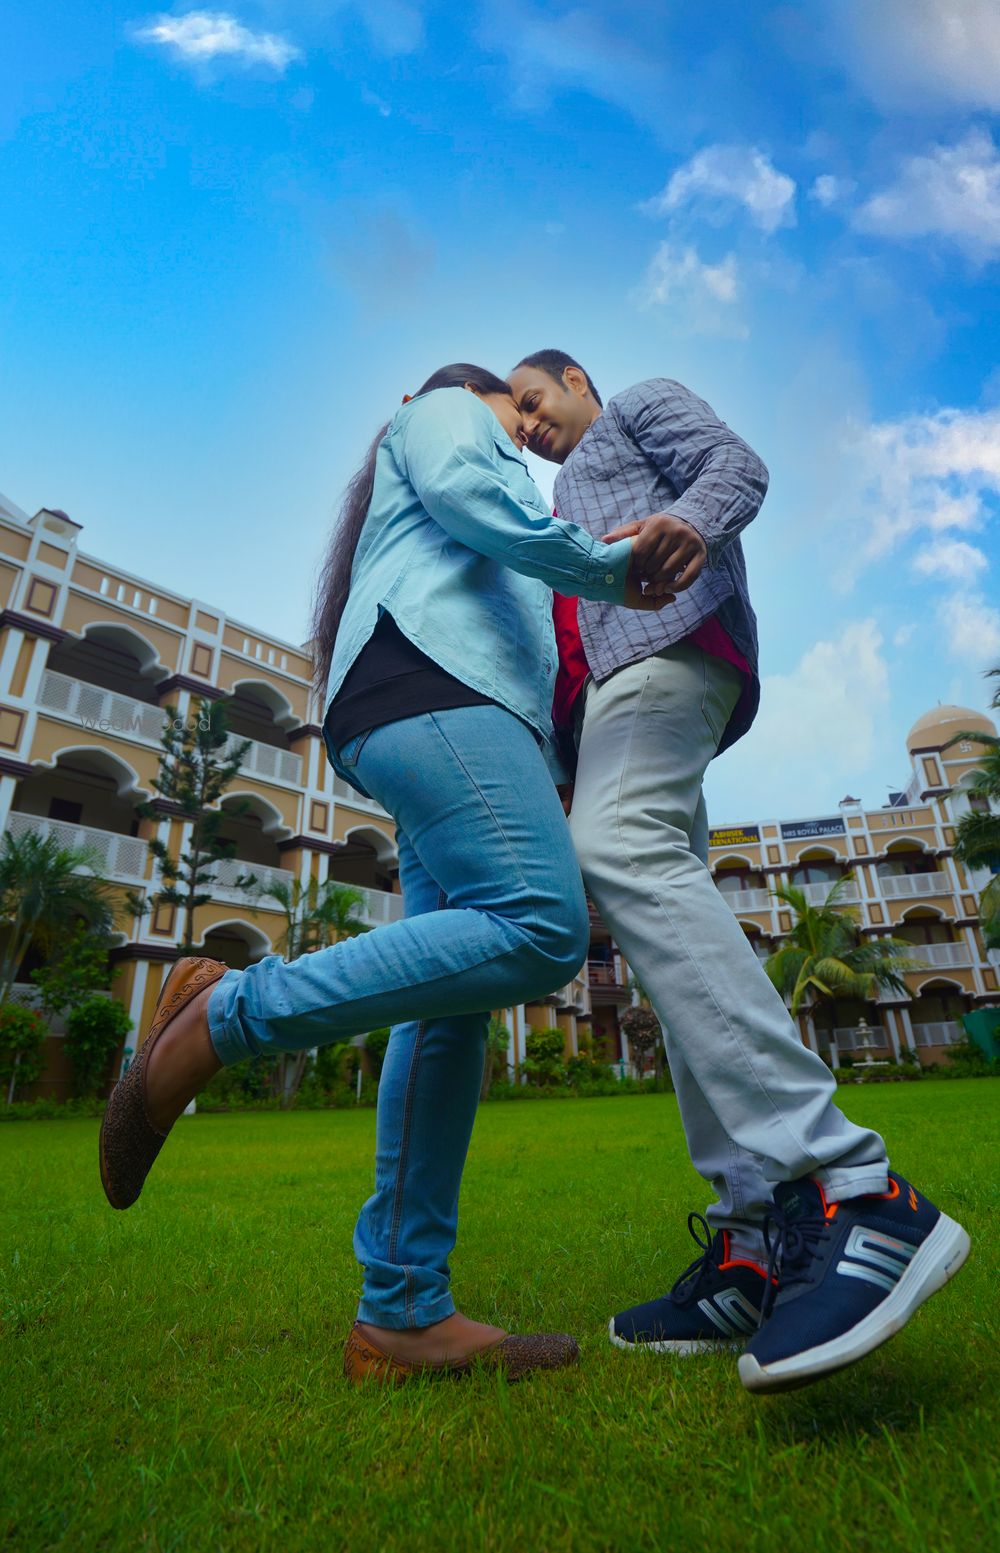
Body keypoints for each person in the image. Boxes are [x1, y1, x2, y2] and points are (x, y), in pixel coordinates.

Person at [99, 363, 671, 1386]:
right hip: (435, 695)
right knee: (540, 924)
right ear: (459, 394)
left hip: (451, 714)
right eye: (517, 405)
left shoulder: (486, 494)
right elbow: (467, 491)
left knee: (448, 1008)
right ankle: (222, 1014)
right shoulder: (443, 414)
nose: (527, 426)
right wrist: (606, 566)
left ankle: (401, 1310)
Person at [508, 348, 970, 1394]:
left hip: (666, 655)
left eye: (534, 401)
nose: (529, 425)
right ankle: (751, 1245)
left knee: (620, 850)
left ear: (576, 379)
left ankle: (853, 1185)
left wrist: (689, 521)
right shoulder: (556, 513)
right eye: (520, 420)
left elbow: (736, 464)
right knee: (664, 928)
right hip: (610, 710)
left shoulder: (636, 406)